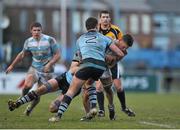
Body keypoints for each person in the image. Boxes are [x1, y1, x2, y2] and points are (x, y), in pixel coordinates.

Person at [48, 17, 125, 122]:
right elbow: (120, 53)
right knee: (91, 84)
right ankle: (94, 107)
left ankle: (58, 116)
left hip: (87, 64)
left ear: (86, 27)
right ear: (97, 26)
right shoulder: (105, 38)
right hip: (101, 67)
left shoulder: (79, 39)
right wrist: (113, 62)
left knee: (71, 91)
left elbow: (78, 57)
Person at [82, 10, 135, 121]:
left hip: (112, 63)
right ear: (100, 19)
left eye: (107, 17)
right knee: (98, 87)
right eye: (103, 17)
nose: (106, 19)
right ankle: (101, 110)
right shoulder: (95, 31)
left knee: (118, 86)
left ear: (110, 19)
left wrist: (114, 60)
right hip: (99, 62)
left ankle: (122, 107)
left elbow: (123, 48)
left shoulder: (116, 31)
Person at [6, 22, 60, 116]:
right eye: (34, 30)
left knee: (37, 93)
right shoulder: (28, 41)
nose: (36, 32)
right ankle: (19, 101)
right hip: (34, 68)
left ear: (41, 30)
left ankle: (29, 109)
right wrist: (12, 65)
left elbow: (58, 54)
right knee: (27, 85)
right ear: (31, 31)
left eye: (38, 30)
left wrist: (50, 64)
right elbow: (22, 54)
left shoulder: (50, 40)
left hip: (47, 71)